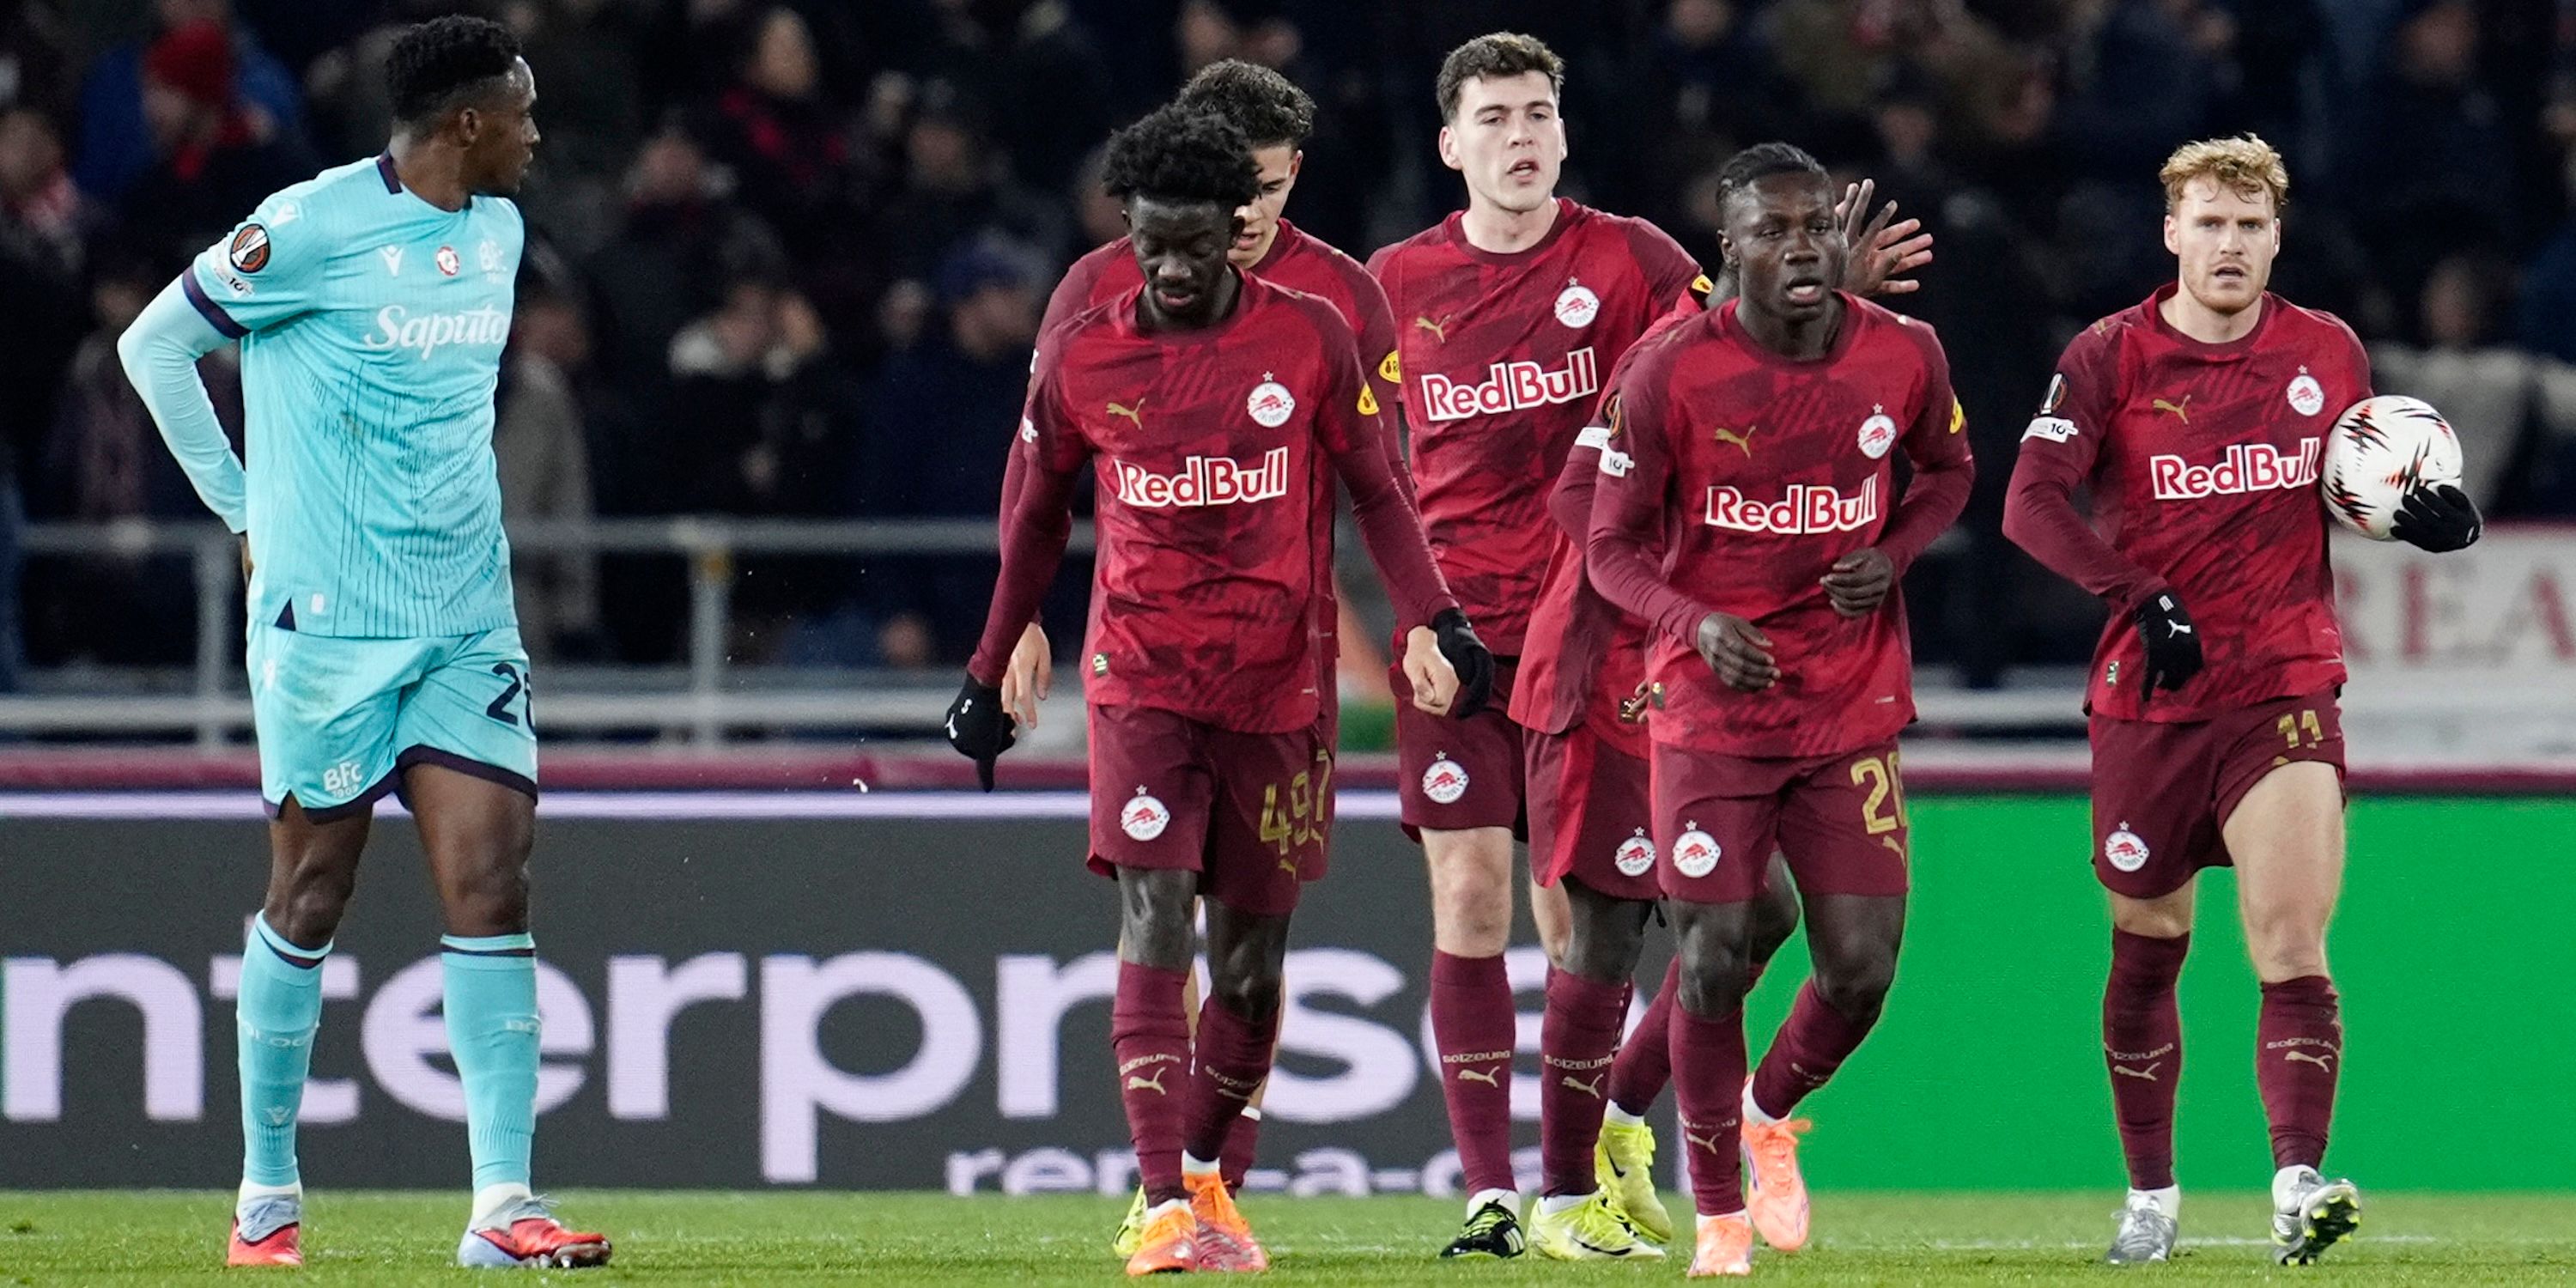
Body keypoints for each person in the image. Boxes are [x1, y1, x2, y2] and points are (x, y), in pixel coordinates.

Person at [1364, 33, 1920, 1260]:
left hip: (1611, 632)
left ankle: (1614, 1117)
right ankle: (1501, 1198)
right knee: (1468, 899)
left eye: (1540, 112)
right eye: (1495, 116)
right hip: (1457, 636)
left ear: (1564, 134)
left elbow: (1747, 345)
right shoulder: (1391, 283)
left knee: (1674, 921)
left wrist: (1833, 283)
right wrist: (1401, 617)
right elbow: (1355, 469)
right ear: (1452, 145)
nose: (1521, 135)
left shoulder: (1632, 261)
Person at [941, 104, 1493, 1276]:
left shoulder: (1309, 337)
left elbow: (1380, 491)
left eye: (1198, 243)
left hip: (1278, 692)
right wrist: (992, 663)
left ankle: (1204, 1180)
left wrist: (1436, 615)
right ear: (1128, 233)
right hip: (1142, 679)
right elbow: (1038, 518)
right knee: (1154, 919)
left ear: (1242, 225)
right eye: (1154, 248)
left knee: (1250, 967)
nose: (1177, 270)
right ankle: (1157, 1205)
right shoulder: (1088, 350)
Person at [114, 15, 611, 1270]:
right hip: (326, 628)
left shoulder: (496, 233)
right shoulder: (314, 225)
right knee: (313, 895)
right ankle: (266, 1196)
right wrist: (240, 509)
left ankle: (503, 1210)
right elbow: (154, 345)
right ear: (465, 123)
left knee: (495, 886)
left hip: (464, 620)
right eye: (523, 112)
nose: (537, 135)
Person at [2001, 134, 2482, 1267]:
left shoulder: (2327, 352)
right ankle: (2152, 1194)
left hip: (2284, 683)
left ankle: (2296, 1182)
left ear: (2277, 237)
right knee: (2148, 948)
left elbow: (2358, 483)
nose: (2228, 244)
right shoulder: (2110, 355)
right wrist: (2138, 593)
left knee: (2290, 944)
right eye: (2207, 224)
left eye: (2249, 226)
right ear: (2171, 232)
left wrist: (2422, 517)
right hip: (2149, 698)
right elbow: (2029, 504)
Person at [1517, 190, 1935, 1258]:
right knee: (1622, 930)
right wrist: (1688, 610)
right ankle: (1573, 1186)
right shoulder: (1666, 358)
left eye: (1815, 242)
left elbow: (1924, 456)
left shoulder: (1866, 352)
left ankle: (1624, 1122)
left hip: (1765, 683)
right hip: (1628, 666)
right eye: (1772, 240)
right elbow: (1584, 507)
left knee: (1764, 925)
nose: (1798, 258)